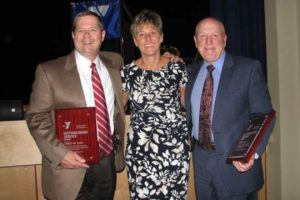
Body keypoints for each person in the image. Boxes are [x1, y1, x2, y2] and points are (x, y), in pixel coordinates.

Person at [25, 10, 125, 200]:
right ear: (73, 36)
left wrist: (168, 57)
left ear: (102, 35)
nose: (87, 36)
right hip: (67, 166)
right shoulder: (49, 71)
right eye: (81, 30)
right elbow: (35, 116)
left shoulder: (115, 63)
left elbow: (145, 66)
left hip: (106, 162)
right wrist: (60, 153)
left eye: (93, 30)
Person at [185, 17, 275, 200]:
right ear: (195, 41)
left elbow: (264, 115)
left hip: (236, 164)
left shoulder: (248, 69)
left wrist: (252, 152)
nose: (208, 42)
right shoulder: (189, 72)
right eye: (202, 36)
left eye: (215, 35)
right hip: (201, 160)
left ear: (225, 39)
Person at [121, 10, 191, 199]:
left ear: (161, 37)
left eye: (152, 32)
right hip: (141, 151)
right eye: (141, 34)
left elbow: (188, 103)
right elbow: (116, 108)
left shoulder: (178, 68)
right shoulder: (127, 73)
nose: (148, 38)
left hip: (174, 149)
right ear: (135, 41)